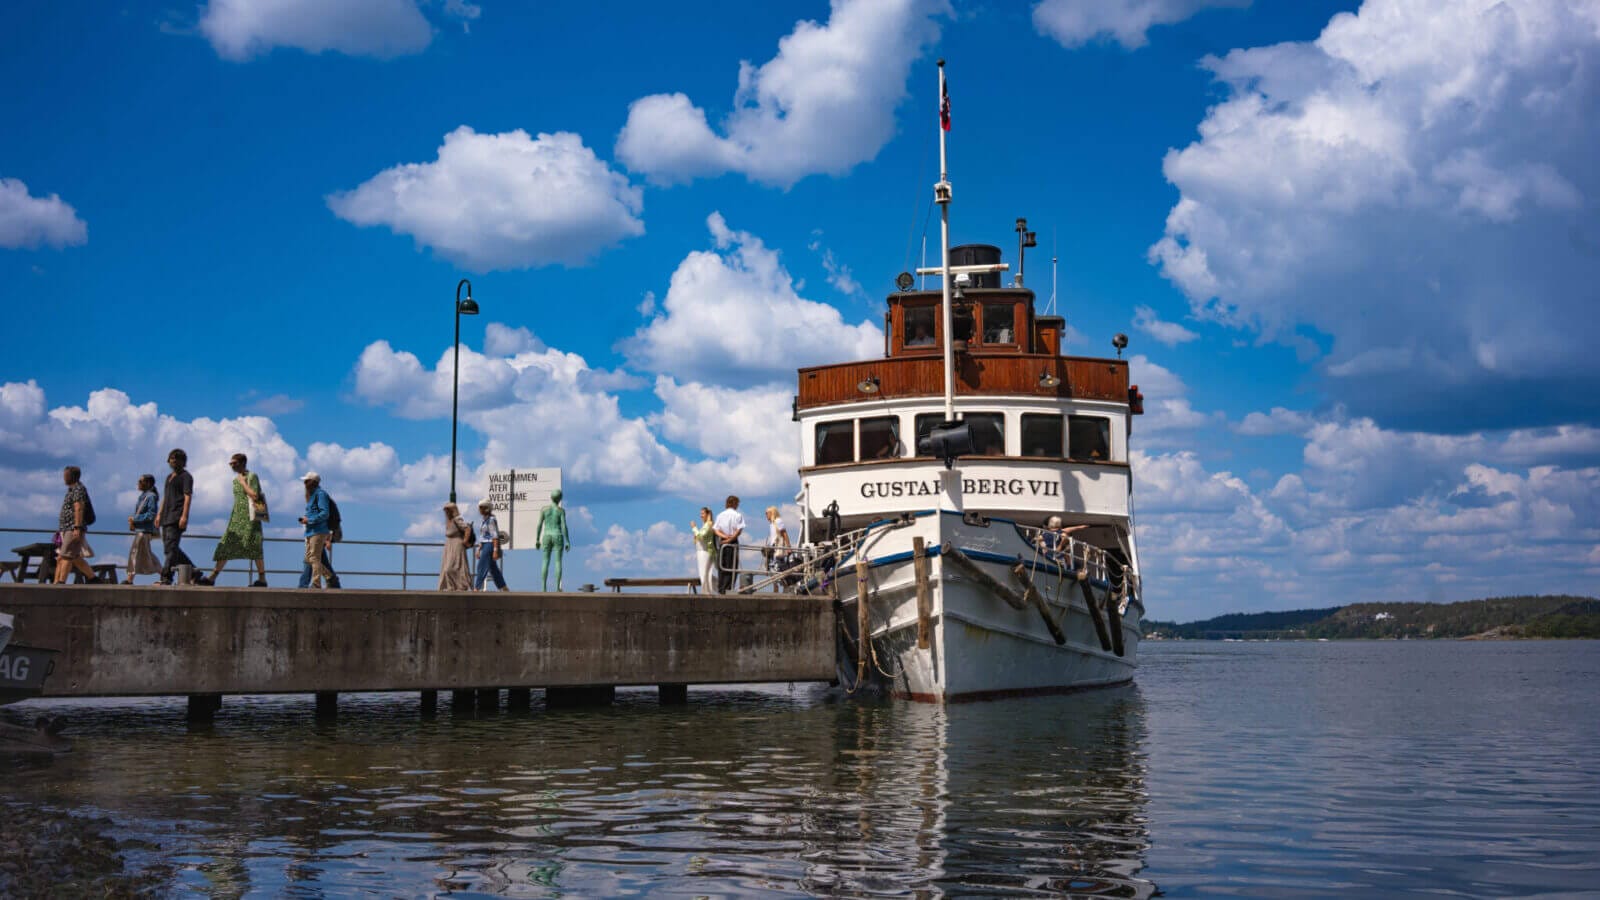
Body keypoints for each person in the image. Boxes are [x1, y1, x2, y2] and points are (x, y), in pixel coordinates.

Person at [208, 453, 268, 587]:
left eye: (234, 463)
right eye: (231, 463)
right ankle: (213, 576)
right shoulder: (235, 480)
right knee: (226, 544)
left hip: (251, 519)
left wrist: (243, 482)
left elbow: (254, 495)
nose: (232, 466)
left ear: (242, 463)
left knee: (255, 547)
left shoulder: (251, 476)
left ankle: (262, 578)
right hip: (237, 518)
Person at [54, 466, 98, 584]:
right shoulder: (72, 490)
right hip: (67, 527)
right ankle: (93, 578)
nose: (64, 478)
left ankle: (61, 582)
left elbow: (79, 508)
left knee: (66, 556)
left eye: (66, 475)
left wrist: (77, 527)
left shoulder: (78, 489)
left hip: (72, 527)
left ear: (72, 476)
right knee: (73, 556)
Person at [158, 448, 196, 585]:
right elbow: (165, 497)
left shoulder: (186, 477)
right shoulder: (169, 478)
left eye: (176, 458)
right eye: (172, 458)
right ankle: (194, 572)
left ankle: (166, 576)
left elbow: (187, 497)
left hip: (176, 515)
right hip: (166, 517)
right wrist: (159, 514)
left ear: (182, 461)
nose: (173, 461)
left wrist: (184, 516)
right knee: (169, 548)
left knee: (171, 548)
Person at [296, 472, 335, 589]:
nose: (304, 483)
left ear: (311, 482)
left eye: (306, 481)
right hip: (311, 531)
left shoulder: (320, 494)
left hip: (317, 531)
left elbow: (324, 513)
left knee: (313, 558)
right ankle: (328, 575)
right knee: (310, 559)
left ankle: (316, 584)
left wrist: (309, 520)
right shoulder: (313, 495)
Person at [124, 474, 161, 584]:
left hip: (144, 531)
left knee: (134, 553)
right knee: (148, 554)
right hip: (142, 530)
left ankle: (129, 579)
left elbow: (151, 515)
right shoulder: (145, 496)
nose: (138, 484)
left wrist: (134, 519)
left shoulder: (150, 497)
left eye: (140, 481)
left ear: (148, 483)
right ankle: (164, 574)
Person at [536, 489, 571, 592]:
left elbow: (539, 525)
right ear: (560, 499)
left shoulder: (544, 510)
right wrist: (567, 540)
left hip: (546, 535)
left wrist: (537, 539)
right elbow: (564, 526)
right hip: (557, 535)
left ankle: (543, 587)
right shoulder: (561, 511)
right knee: (558, 562)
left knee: (545, 561)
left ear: (551, 497)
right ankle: (557, 588)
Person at [713, 495, 746, 593]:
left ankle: (721, 588)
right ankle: (728, 588)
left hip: (722, 541)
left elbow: (715, 530)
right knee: (731, 566)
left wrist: (724, 536)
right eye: (737, 504)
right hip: (732, 542)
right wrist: (730, 538)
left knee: (722, 566)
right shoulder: (737, 515)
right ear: (734, 503)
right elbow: (739, 530)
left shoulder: (720, 515)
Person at [473, 499, 507, 591]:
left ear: (486, 508)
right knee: (493, 569)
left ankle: (476, 588)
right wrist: (479, 549)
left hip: (490, 544)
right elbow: (483, 536)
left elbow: (494, 536)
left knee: (481, 566)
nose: (479, 510)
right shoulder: (484, 520)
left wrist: (495, 550)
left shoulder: (491, 520)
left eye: (481, 508)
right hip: (485, 544)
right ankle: (504, 588)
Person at [438, 502, 473, 591]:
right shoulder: (447, 520)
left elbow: (467, 528)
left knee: (453, 566)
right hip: (449, 544)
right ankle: (451, 586)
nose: (446, 512)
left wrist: (465, 540)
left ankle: (461, 585)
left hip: (456, 544)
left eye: (447, 510)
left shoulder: (457, 519)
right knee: (446, 567)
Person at [690, 507, 717, 595]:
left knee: (704, 573)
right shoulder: (706, 525)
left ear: (707, 514)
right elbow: (700, 537)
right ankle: (719, 588)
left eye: (702, 513)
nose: (701, 516)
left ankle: (707, 592)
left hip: (705, 551)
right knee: (705, 572)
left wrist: (694, 528)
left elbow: (701, 536)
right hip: (702, 551)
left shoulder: (709, 524)